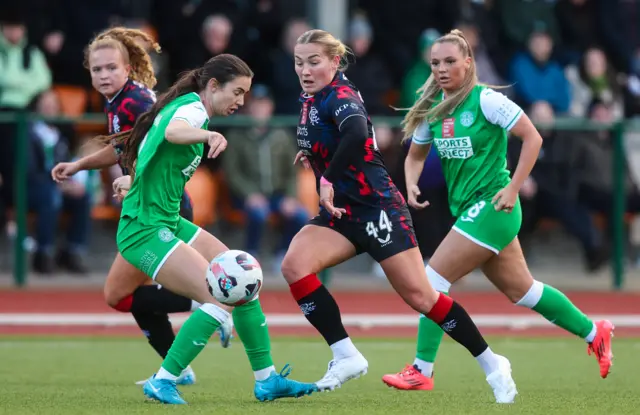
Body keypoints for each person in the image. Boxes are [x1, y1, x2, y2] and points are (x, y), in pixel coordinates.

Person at [282, 29, 516, 404]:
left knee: (423, 297)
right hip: (343, 212)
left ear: (335, 62)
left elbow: (357, 131)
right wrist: (315, 154)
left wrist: (326, 175)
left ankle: (492, 362)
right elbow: (337, 140)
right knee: (295, 265)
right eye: (299, 62)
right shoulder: (311, 97)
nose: (305, 70)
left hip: (378, 209)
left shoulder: (339, 95)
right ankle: (345, 355)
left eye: (314, 61)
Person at [381, 29, 614, 392]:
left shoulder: (486, 100)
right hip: (471, 212)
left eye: (450, 62)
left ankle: (422, 370)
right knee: (525, 292)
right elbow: (415, 154)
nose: (441, 69)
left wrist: (513, 186)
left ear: (468, 63)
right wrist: (410, 181)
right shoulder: (434, 108)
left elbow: (532, 137)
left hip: (494, 206)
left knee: (432, 280)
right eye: (436, 63)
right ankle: (592, 331)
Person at [101, 53, 317, 405]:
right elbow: (173, 132)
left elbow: (149, 148)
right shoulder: (194, 111)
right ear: (213, 86)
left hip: (167, 220)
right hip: (144, 229)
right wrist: (208, 134)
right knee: (224, 291)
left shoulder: (184, 105)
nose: (241, 102)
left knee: (244, 279)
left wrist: (133, 181)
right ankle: (164, 380)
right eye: (237, 92)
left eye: (246, 94)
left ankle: (267, 380)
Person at [50, 27, 231, 386]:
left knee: (119, 295)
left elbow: (158, 147)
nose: (103, 75)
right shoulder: (119, 99)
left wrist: (134, 179)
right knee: (124, 296)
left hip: (161, 210)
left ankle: (207, 309)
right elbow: (124, 148)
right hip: (151, 208)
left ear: (128, 68)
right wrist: (79, 165)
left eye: (110, 68)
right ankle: (181, 362)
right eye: (96, 70)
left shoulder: (134, 102)